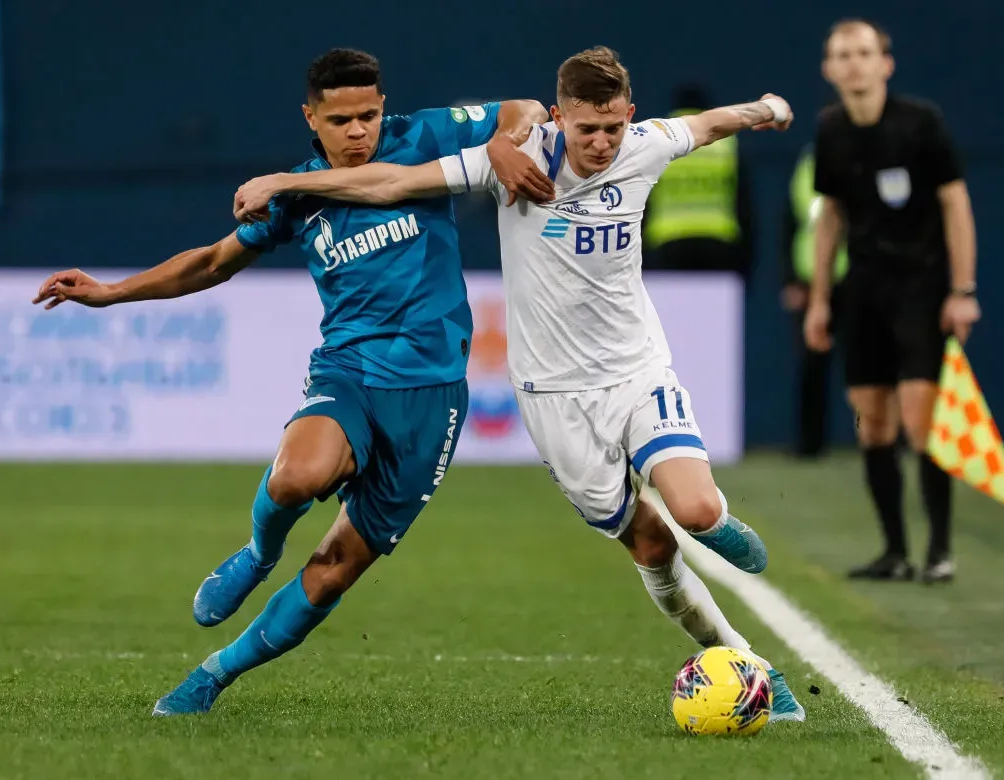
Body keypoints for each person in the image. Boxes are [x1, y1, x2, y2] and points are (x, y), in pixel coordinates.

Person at [235, 46, 806, 721]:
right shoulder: (516, 160)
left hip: (635, 370)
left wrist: (766, 110)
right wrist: (283, 182)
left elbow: (708, 124)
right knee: (650, 544)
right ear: (559, 117)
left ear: (631, 116)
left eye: (613, 129)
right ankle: (750, 663)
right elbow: (388, 183)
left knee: (697, 512)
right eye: (585, 129)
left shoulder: (646, 146)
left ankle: (720, 531)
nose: (600, 144)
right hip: (552, 398)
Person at [31, 48, 553, 716]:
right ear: (312, 117)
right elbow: (214, 262)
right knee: (295, 478)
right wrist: (110, 293)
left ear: (383, 107)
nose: (359, 131)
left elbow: (525, 110)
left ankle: (212, 676)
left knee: (334, 569)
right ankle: (258, 551)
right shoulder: (296, 191)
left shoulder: (422, 137)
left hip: (433, 395)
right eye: (342, 120)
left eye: (368, 114)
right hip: (352, 370)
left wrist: (507, 143)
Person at [803, 20, 980, 583]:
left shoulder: (920, 123)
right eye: (841, 55)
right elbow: (831, 217)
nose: (853, 64)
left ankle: (940, 551)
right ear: (828, 70)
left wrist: (962, 290)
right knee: (873, 424)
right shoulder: (830, 130)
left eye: (863, 52)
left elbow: (955, 204)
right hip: (864, 292)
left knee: (920, 419)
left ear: (886, 63)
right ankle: (896, 552)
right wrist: (819, 299)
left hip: (922, 288)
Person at [641, 84, 754, 281]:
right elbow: (744, 204)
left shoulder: (659, 141)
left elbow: (640, 200)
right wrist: (746, 262)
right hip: (718, 245)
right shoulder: (726, 145)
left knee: (669, 311)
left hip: (667, 244)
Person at [780, 144, 849, 457]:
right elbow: (790, 222)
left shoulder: (866, 158)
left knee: (871, 366)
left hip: (856, 280)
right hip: (811, 281)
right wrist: (791, 280)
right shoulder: (808, 165)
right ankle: (810, 445)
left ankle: (885, 442)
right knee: (811, 368)